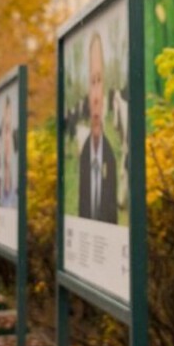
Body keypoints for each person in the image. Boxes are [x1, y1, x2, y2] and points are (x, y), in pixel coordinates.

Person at [78, 32, 118, 222]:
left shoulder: (112, 159)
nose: (95, 96)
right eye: (91, 82)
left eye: (99, 80)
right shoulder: (83, 157)